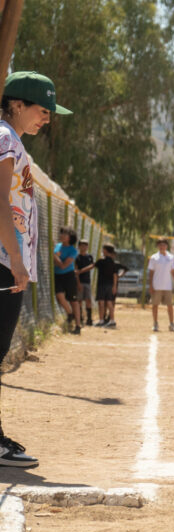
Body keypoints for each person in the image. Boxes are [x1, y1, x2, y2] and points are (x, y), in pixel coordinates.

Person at [0, 70, 72, 468]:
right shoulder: (5, 137)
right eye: (43, 110)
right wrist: (15, 259)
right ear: (17, 104)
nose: (47, 118)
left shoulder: (13, 141)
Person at [52, 226, 80, 334]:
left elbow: (63, 265)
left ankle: (78, 326)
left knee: (74, 301)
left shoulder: (73, 250)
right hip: (57, 275)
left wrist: (54, 255)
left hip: (68, 276)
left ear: (70, 237)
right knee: (60, 296)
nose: (62, 235)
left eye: (65, 234)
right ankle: (70, 314)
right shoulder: (57, 246)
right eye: (62, 233)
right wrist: (55, 255)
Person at [147, 237, 174, 332]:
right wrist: (151, 285)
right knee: (155, 305)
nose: (162, 246)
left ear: (167, 246)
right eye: (160, 244)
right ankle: (155, 323)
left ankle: (171, 324)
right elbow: (151, 272)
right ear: (157, 246)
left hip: (167, 286)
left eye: (164, 244)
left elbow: (172, 271)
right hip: (157, 286)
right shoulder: (154, 258)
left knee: (170, 306)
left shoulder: (171, 257)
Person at [93, 244, 125, 328]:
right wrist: (114, 286)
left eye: (103, 250)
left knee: (101, 302)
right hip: (110, 285)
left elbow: (92, 266)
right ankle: (111, 320)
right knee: (109, 302)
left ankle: (102, 320)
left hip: (102, 285)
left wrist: (79, 271)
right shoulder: (112, 262)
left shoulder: (101, 261)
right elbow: (115, 275)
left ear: (105, 251)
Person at [74, 238, 93, 326]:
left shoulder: (89, 257)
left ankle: (89, 319)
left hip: (87, 281)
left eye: (85, 245)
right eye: (82, 245)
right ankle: (80, 317)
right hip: (80, 282)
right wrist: (78, 283)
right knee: (79, 300)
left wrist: (80, 271)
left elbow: (92, 266)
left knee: (88, 300)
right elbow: (75, 271)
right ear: (79, 247)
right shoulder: (77, 257)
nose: (84, 247)